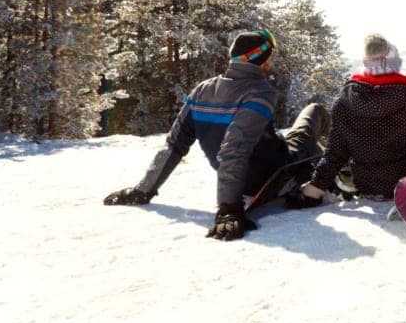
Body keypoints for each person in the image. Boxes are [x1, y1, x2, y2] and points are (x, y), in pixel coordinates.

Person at [103, 29, 331, 241]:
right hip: (276, 172)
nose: (271, 63)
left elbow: (175, 145)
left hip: (240, 180)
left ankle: (325, 161)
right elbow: (235, 149)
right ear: (258, 59)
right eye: (268, 57)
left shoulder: (202, 90)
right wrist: (228, 209)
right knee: (315, 111)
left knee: (295, 136)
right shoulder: (260, 92)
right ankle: (336, 163)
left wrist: (143, 190)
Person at [293, 34, 406, 205]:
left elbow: (335, 153)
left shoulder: (345, 102)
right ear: (395, 65)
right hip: (403, 185)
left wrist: (315, 188)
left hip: (365, 184)